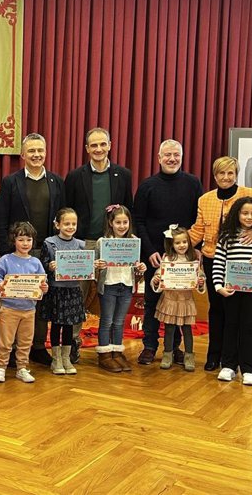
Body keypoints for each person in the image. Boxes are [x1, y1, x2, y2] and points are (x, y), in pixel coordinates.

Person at [188, 156, 252, 371]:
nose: (226, 177)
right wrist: (174, 248)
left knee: (239, 314)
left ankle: (237, 360)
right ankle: (214, 356)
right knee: (216, 310)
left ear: (236, 174)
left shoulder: (251, 194)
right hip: (214, 261)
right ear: (215, 175)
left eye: (230, 173)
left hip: (244, 265)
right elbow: (198, 230)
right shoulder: (205, 199)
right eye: (221, 173)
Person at [0, 133, 65, 366]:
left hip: (45, 251)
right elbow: (1, 218)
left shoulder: (56, 181)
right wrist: (5, 251)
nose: (36, 155)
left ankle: (36, 346)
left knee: (41, 298)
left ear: (46, 153)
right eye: (31, 151)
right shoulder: (10, 181)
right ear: (23, 155)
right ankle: (12, 350)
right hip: (17, 252)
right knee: (15, 298)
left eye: (40, 151)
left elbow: (61, 218)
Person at [65, 127, 133, 362]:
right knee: (78, 294)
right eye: (93, 145)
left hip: (114, 245)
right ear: (86, 149)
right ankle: (73, 340)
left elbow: (127, 211)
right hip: (84, 244)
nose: (98, 149)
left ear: (110, 145)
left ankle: (111, 345)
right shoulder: (75, 177)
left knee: (113, 292)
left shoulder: (123, 175)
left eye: (102, 144)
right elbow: (67, 211)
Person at [133, 139, 203, 366]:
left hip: (184, 257)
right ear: (159, 157)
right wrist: (150, 251)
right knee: (153, 303)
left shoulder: (193, 183)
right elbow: (139, 221)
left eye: (176, 155)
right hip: (156, 256)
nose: (172, 159)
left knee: (179, 304)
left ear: (181, 157)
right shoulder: (147, 185)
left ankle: (173, 348)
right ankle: (149, 346)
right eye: (168, 155)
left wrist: (194, 251)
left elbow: (198, 220)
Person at [213, 197, 252, 386]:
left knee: (248, 326)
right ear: (237, 214)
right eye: (245, 213)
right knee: (230, 325)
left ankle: (248, 369)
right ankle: (228, 366)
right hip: (230, 290)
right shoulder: (226, 237)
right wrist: (218, 286)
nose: (249, 217)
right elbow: (218, 263)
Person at [0, 222, 49, 383]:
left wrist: (44, 287)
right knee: (5, 341)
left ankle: (22, 368)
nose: (25, 243)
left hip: (29, 310)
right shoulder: (5, 260)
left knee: (25, 342)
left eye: (28, 240)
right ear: (13, 240)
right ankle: (1, 367)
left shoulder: (36, 263)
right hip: (9, 308)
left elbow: (43, 283)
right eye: (21, 239)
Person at [94, 205, 146, 372]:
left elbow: (136, 267)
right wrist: (98, 266)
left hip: (126, 285)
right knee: (107, 321)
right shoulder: (102, 243)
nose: (122, 226)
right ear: (111, 223)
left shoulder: (134, 241)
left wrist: (140, 268)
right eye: (118, 222)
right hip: (109, 285)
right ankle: (104, 354)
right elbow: (93, 267)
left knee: (119, 322)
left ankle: (117, 352)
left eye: (125, 222)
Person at [150, 225, 206, 372]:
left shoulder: (193, 258)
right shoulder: (167, 258)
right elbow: (158, 274)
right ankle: (167, 355)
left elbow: (200, 276)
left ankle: (189, 356)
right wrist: (156, 279)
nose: (182, 245)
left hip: (185, 300)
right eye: (177, 243)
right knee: (169, 329)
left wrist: (201, 282)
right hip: (170, 299)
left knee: (187, 330)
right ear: (171, 244)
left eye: (184, 242)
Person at [39, 208, 85, 375]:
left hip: (72, 290)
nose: (70, 227)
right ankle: (56, 359)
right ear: (57, 224)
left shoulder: (81, 245)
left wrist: (90, 267)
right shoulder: (49, 243)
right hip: (56, 290)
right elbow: (42, 265)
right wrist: (50, 266)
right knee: (57, 325)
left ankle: (66, 358)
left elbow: (84, 266)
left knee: (68, 326)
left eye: (73, 224)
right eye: (66, 223)